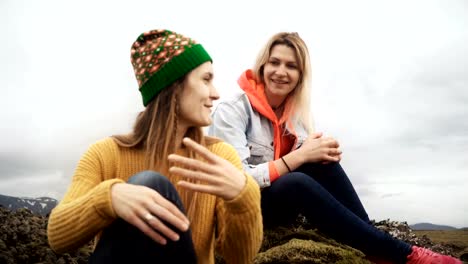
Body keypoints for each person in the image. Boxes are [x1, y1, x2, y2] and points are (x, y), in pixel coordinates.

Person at [207, 32, 461, 264]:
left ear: (300, 76)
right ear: (262, 66)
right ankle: (405, 255)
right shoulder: (233, 110)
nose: (281, 72)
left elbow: (307, 161)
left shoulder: (295, 116)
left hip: (273, 210)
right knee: (296, 181)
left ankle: (372, 245)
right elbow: (237, 181)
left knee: (320, 161)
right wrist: (298, 157)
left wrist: (321, 152)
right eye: (275, 62)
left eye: (291, 66)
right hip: (235, 213)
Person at [47, 29, 263, 264]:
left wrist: (243, 195)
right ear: (174, 86)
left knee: (149, 184)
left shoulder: (219, 156)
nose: (216, 93)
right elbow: (58, 237)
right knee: (149, 183)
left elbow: (240, 258)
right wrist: (109, 198)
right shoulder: (105, 154)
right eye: (206, 79)